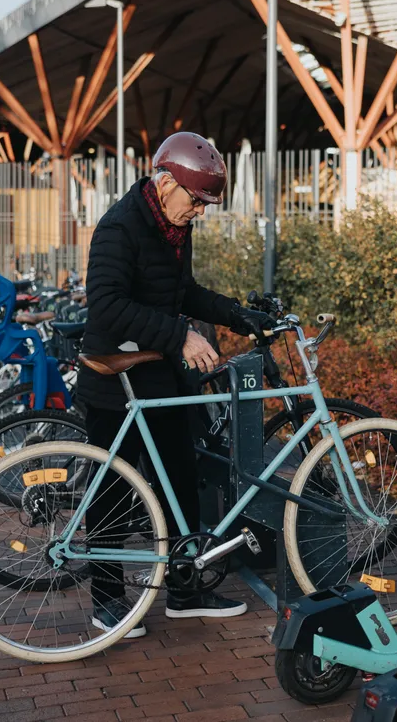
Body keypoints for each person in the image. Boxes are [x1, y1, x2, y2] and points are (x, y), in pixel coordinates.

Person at [77, 131, 273, 637]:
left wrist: (237, 314)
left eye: (207, 203)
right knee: (115, 490)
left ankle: (185, 590)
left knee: (179, 481)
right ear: (165, 183)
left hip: (158, 374)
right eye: (197, 199)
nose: (201, 211)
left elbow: (182, 291)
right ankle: (106, 602)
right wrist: (179, 335)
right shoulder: (120, 227)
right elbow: (106, 304)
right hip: (114, 379)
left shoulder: (173, 227)